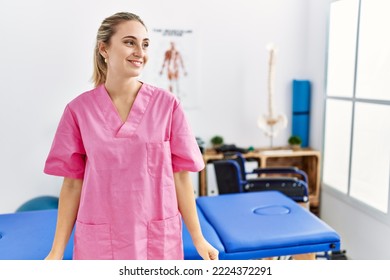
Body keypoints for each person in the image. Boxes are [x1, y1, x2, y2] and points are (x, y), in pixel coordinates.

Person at [44, 12, 218, 260]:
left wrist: (199, 239)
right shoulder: (78, 111)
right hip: (100, 242)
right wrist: (56, 252)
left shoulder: (167, 106)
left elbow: (181, 178)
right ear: (104, 49)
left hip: (156, 239)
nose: (140, 51)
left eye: (145, 44)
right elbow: (72, 183)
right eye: (129, 42)